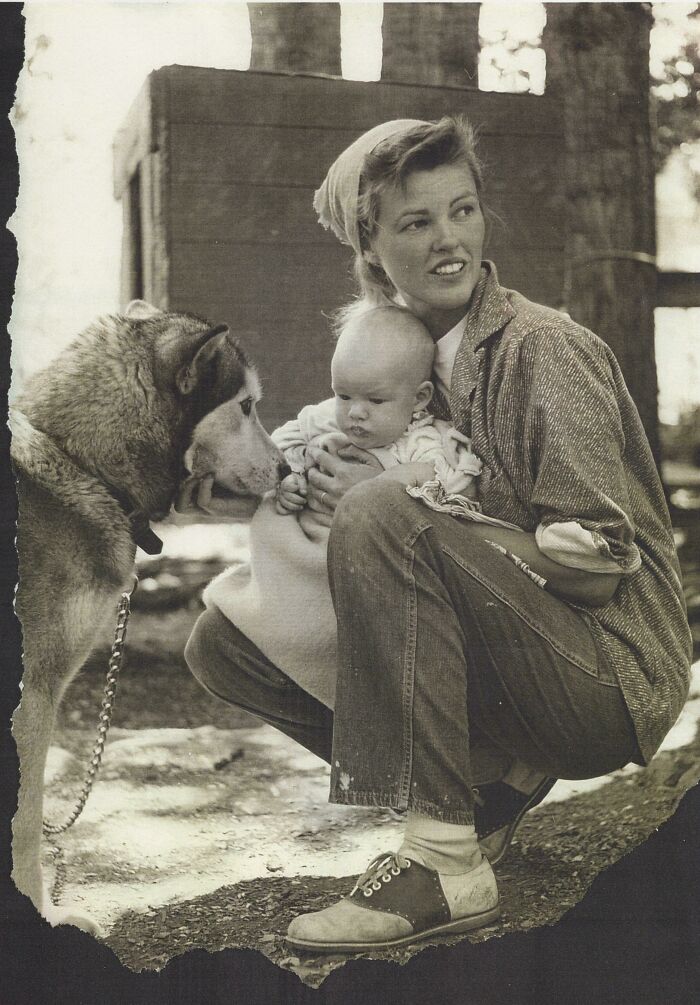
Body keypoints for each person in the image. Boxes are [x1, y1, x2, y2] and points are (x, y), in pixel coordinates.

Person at [184, 117, 692, 953]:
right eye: (416, 223)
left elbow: (600, 573)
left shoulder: (542, 351)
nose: (450, 240)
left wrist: (398, 505)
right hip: (521, 664)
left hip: (608, 674)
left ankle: (445, 862)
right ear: (371, 248)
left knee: (382, 513)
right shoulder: (393, 360)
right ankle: (483, 791)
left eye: (463, 210)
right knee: (223, 642)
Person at [200, 303, 491, 709]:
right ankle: (278, 623)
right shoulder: (324, 420)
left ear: (419, 398)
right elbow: (281, 447)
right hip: (306, 557)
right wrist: (290, 482)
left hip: (364, 576)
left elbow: (455, 497)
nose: (355, 412)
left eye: (375, 400)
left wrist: (394, 483)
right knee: (273, 538)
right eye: (343, 395)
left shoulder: (426, 444)